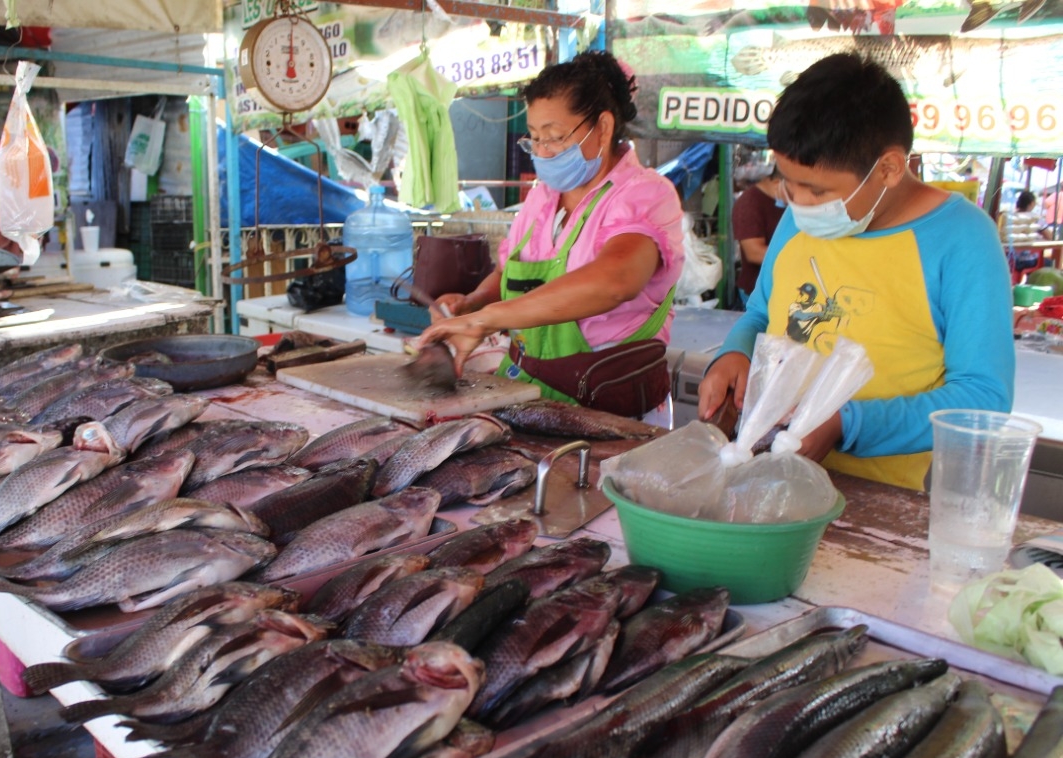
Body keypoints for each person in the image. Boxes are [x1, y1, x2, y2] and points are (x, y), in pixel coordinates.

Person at [697, 53, 1014, 491]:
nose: (798, 202)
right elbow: (761, 314)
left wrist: (847, 424)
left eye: (817, 189)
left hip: (881, 502)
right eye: (789, 182)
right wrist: (735, 353)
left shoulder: (962, 239)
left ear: (887, 168)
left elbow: (983, 398)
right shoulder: (799, 217)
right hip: (763, 481)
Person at [417, 51, 684, 419]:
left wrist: (488, 319)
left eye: (555, 137)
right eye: (535, 139)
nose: (542, 152)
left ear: (603, 128)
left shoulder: (646, 194)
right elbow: (512, 272)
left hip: (609, 406)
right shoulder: (541, 198)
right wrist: (473, 303)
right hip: (528, 391)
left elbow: (615, 281)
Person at [733, 165, 786, 304]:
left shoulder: (787, 205)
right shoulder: (749, 203)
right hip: (759, 293)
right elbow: (754, 253)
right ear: (778, 183)